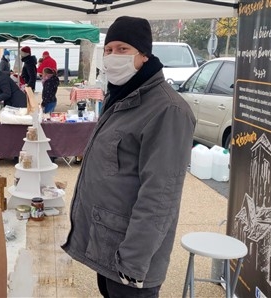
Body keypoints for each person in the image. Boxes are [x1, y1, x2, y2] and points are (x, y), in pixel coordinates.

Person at [62, 16, 195, 298]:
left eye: (122, 49)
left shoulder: (167, 110)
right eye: (108, 49)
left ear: (144, 55)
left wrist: (132, 262)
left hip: (130, 262)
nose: (112, 57)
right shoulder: (122, 96)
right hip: (107, 247)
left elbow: (160, 196)